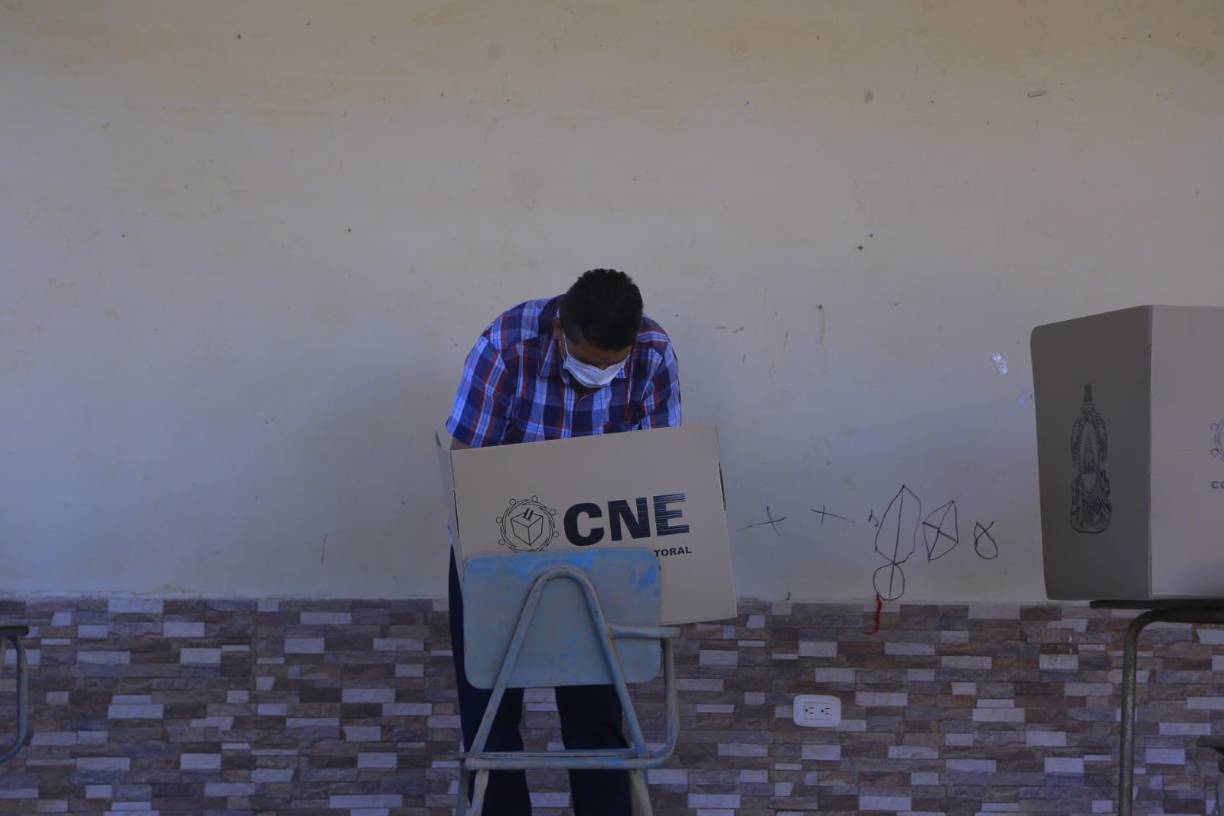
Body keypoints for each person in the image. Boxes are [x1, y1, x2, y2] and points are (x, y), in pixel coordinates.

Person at [444, 269, 681, 815]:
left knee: (597, 718)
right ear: (560, 333)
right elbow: (465, 472)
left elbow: (662, 472)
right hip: (497, 557)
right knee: (490, 721)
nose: (601, 372)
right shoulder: (506, 344)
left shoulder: (653, 352)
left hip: (600, 560)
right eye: (589, 359)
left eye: (612, 363)